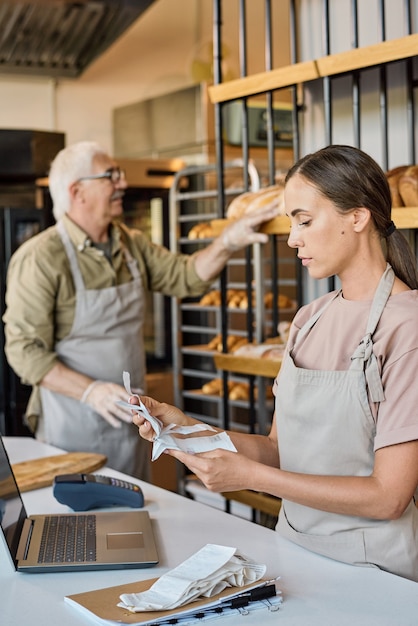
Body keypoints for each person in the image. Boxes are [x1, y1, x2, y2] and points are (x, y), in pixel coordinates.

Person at [132, 145, 418, 582]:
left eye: (304, 220)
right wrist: (185, 428)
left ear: (357, 217)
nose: (292, 238)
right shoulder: (308, 320)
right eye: (290, 223)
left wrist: (251, 477)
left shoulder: (407, 326)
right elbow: (279, 450)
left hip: (375, 570)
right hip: (295, 551)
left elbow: (388, 497)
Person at [3, 140, 279, 480]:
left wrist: (228, 242)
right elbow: (24, 351)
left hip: (132, 422)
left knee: (128, 517)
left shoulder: (129, 243)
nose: (122, 184)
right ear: (78, 191)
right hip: (71, 425)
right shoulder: (41, 257)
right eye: (111, 176)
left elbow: (186, 277)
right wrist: (90, 391)